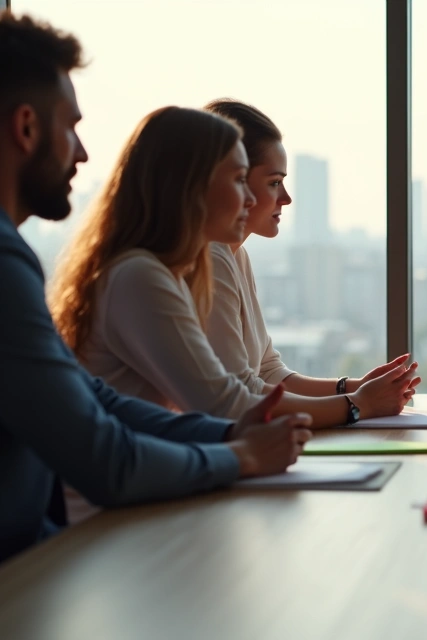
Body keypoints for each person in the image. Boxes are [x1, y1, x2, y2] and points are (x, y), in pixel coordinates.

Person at [0, 11, 312, 563]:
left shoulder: (16, 257)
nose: (83, 153)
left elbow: (94, 399)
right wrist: (240, 455)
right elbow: (105, 458)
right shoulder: (12, 266)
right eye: (70, 127)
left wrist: (230, 438)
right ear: (26, 128)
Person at [50, 107, 412, 428]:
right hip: (130, 479)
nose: (252, 199)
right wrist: (356, 404)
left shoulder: (177, 266)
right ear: (194, 186)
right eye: (241, 180)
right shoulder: (142, 276)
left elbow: (259, 375)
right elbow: (227, 403)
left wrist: (355, 393)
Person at [198, 99, 421, 403]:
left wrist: (354, 388)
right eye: (274, 182)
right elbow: (242, 392)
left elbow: (268, 371)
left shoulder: (237, 256)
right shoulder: (212, 258)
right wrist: (357, 405)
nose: (286, 198)